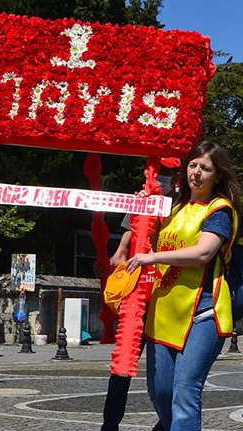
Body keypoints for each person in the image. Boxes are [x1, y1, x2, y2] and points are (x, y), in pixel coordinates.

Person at [125, 141, 240, 431]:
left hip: (204, 313)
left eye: (206, 168)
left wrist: (153, 257)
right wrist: (143, 206)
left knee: (186, 392)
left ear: (218, 176)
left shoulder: (220, 211)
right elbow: (144, 232)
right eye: (193, 165)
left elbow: (202, 253)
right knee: (161, 392)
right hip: (164, 312)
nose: (197, 173)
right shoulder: (172, 208)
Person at [100, 157, 180, 431]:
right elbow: (119, 254)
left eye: (167, 173)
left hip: (169, 296)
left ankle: (165, 423)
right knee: (122, 366)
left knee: (166, 374)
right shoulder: (141, 202)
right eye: (158, 172)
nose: (161, 178)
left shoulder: (183, 206)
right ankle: (109, 425)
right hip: (137, 299)